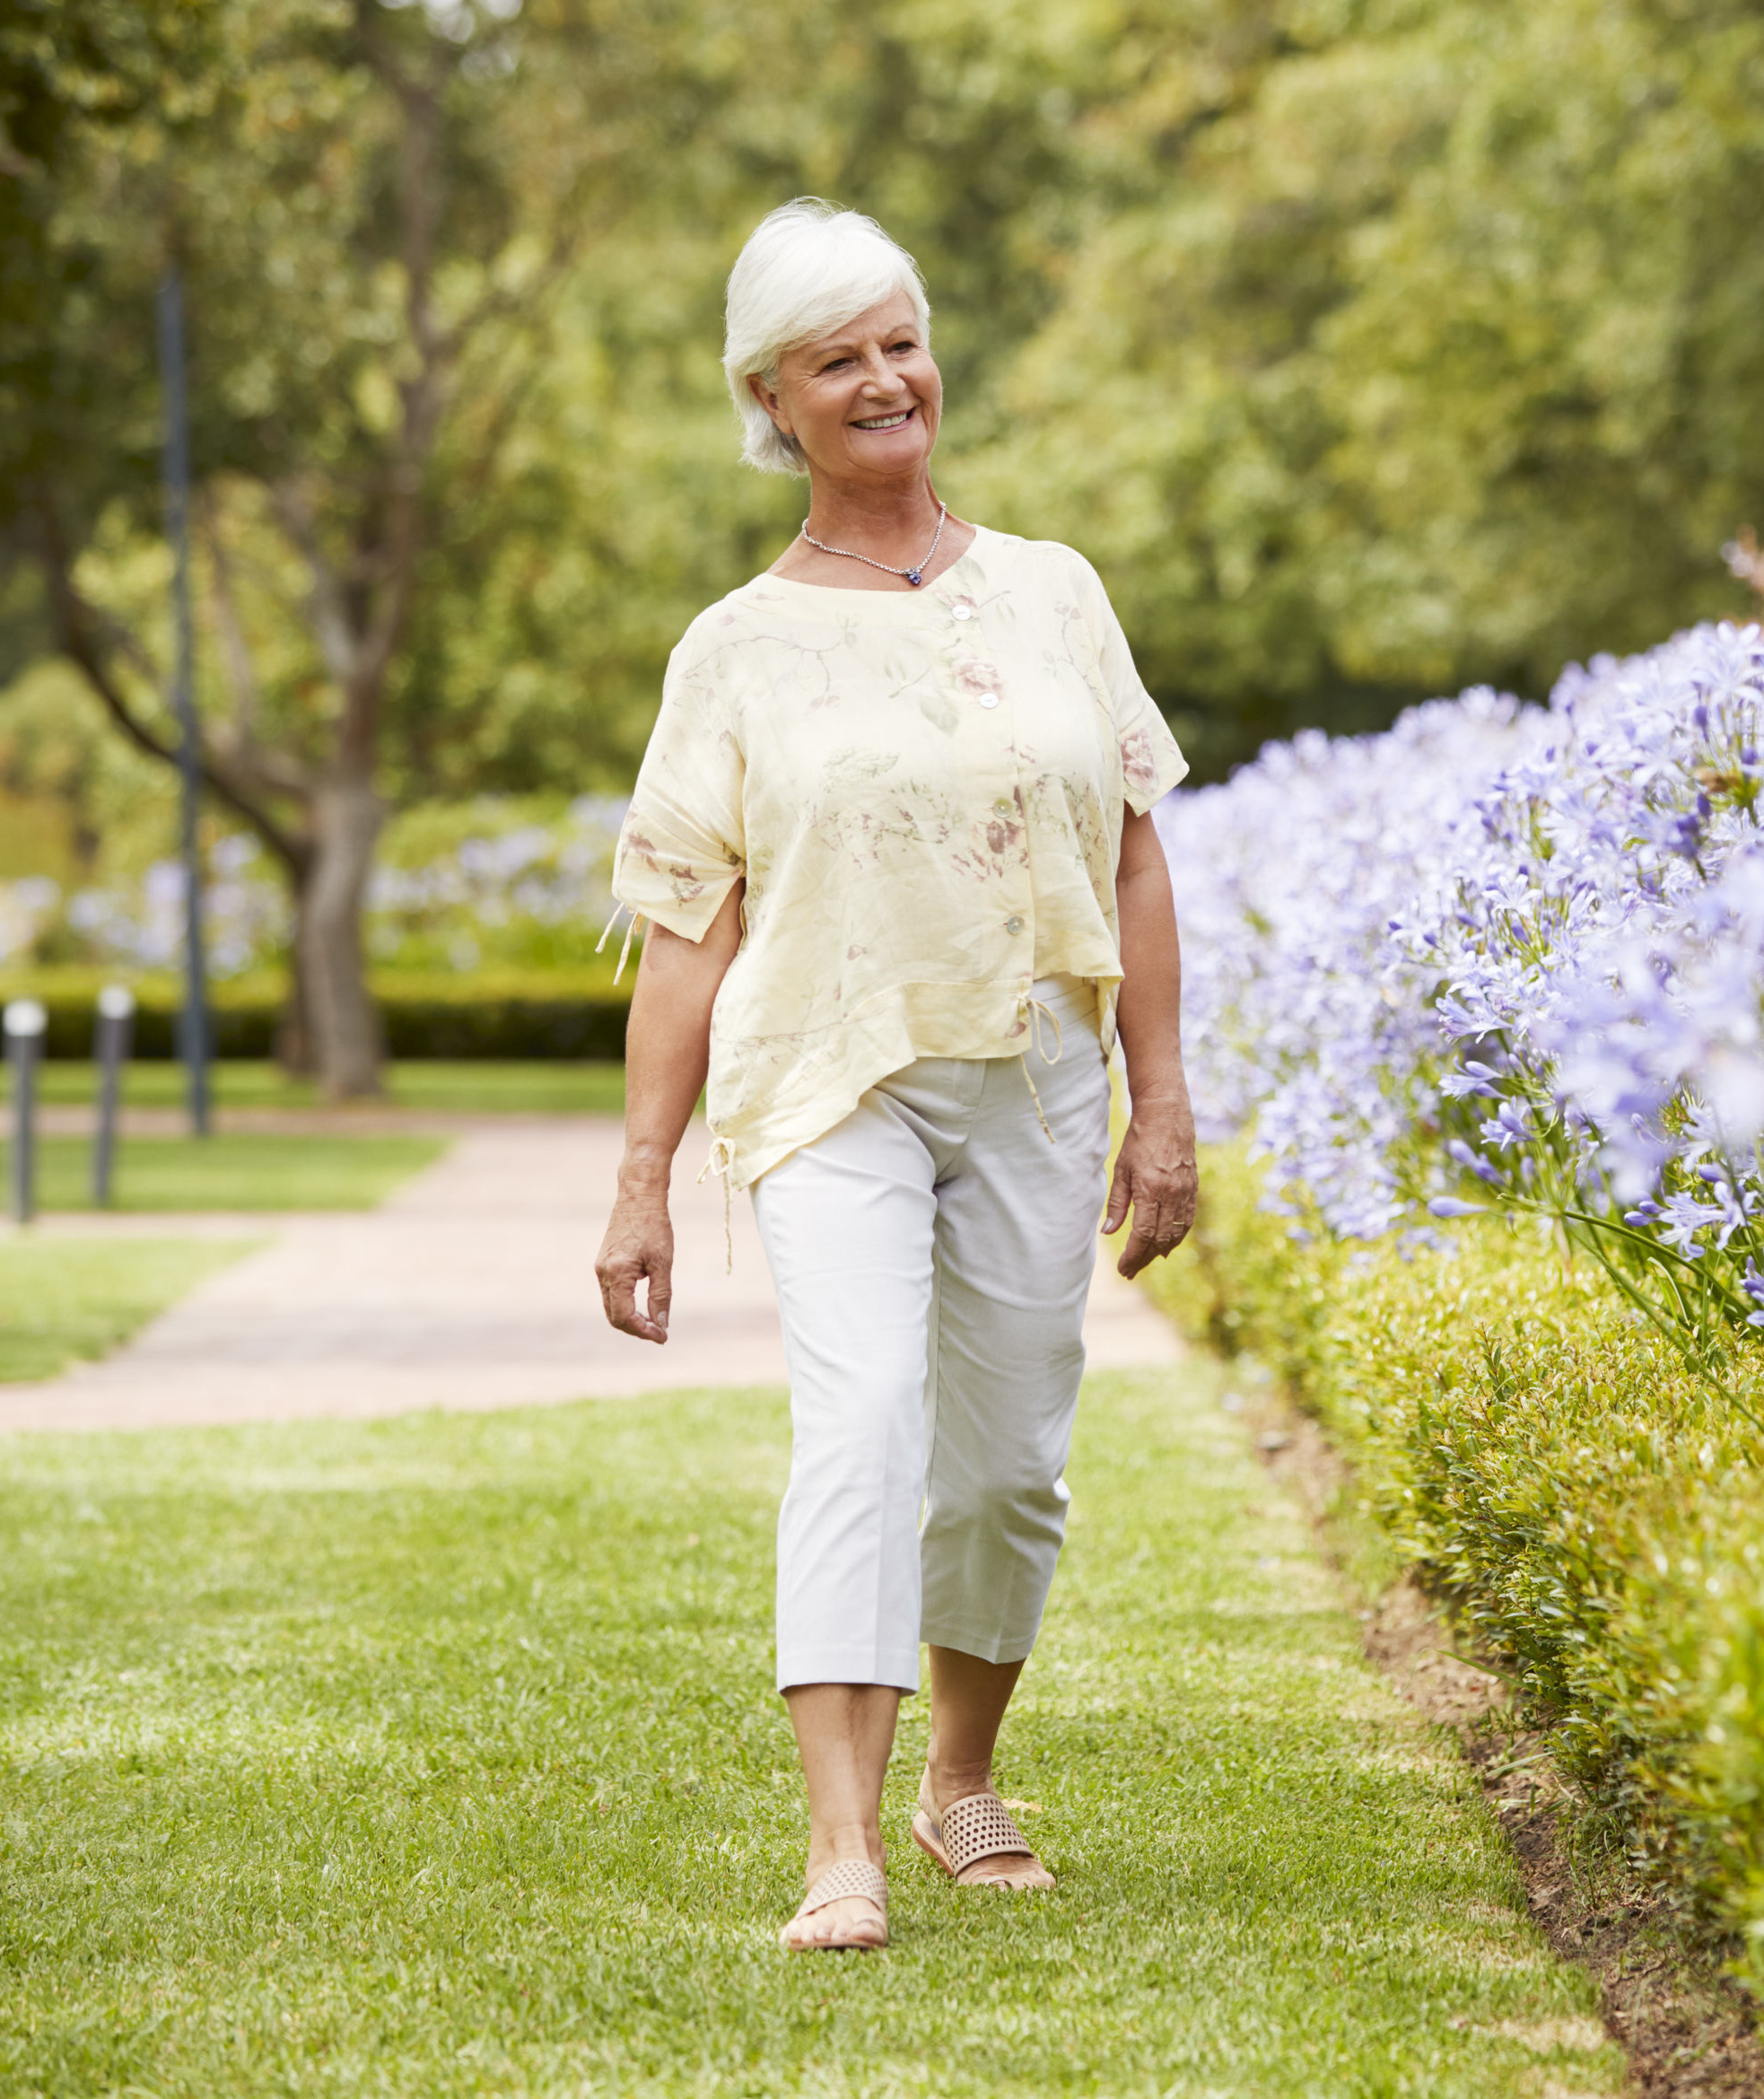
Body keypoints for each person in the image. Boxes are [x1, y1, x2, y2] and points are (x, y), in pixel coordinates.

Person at [590, 199, 1199, 1953]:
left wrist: (1160, 1104)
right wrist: (642, 1177)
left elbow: (1137, 855)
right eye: (835, 356)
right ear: (768, 398)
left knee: (1007, 1456)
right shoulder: (735, 646)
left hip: (1036, 1075)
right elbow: (686, 924)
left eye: (899, 339)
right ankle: (839, 1846)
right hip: (830, 1084)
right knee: (858, 1422)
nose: (883, 378)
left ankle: (960, 1781)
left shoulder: (1053, 590)